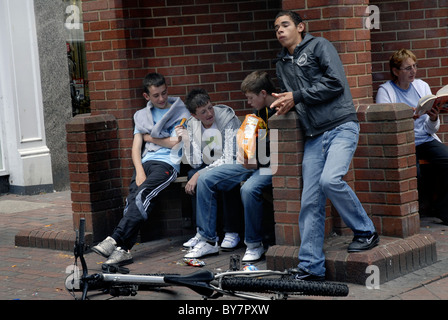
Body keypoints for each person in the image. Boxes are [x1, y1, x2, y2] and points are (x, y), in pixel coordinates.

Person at [270, 11, 378, 281]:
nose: (280, 30)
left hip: (341, 125)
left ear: (301, 27)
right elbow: (296, 101)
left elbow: (335, 84)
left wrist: (295, 96)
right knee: (310, 200)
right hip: (314, 135)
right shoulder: (281, 63)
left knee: (331, 180)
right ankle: (310, 266)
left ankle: (366, 231)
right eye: (276, 28)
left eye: (285, 25)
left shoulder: (320, 46)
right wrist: (285, 102)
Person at [92, 73, 190, 266]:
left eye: (164, 93)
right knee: (133, 198)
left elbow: (175, 143)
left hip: (168, 165)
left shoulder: (180, 112)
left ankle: (114, 239)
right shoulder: (141, 116)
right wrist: (140, 170)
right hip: (145, 164)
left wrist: (151, 139)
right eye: (156, 95)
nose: (161, 99)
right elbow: (136, 147)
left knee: (143, 194)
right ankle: (123, 250)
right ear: (147, 97)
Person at [185, 70, 277, 262]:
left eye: (250, 97)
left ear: (262, 93)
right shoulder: (257, 113)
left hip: (270, 166)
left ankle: (254, 244)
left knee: (249, 190)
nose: (248, 102)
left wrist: (254, 156)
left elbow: (278, 147)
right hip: (249, 162)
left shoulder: (280, 110)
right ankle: (208, 241)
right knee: (205, 178)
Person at [376, 49, 448, 224]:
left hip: (425, 139)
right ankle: (414, 214)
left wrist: (433, 117)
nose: (413, 71)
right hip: (404, 142)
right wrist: (406, 118)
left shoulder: (422, 86)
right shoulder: (385, 91)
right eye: (408, 68)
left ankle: (443, 209)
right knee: (413, 171)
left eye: (415, 66)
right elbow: (385, 125)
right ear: (395, 71)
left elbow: (431, 130)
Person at [177, 88, 243, 250]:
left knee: (221, 177)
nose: (209, 113)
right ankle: (202, 231)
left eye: (210, 107)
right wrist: (186, 140)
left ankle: (232, 231)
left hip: (235, 162)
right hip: (210, 163)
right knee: (193, 175)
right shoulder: (192, 124)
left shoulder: (227, 119)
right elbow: (195, 162)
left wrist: (200, 173)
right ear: (194, 115)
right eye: (203, 111)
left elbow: (230, 157)